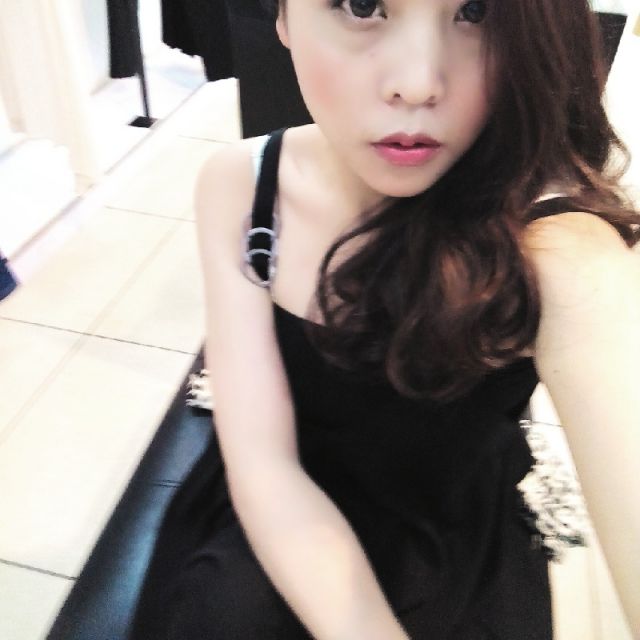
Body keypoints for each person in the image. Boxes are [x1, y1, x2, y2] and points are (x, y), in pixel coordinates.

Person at [129, 1, 640, 638]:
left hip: (453, 552)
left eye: (475, 10)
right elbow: (261, 462)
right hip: (260, 524)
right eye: (362, 4)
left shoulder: (559, 246)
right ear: (282, 17)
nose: (418, 82)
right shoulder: (244, 184)